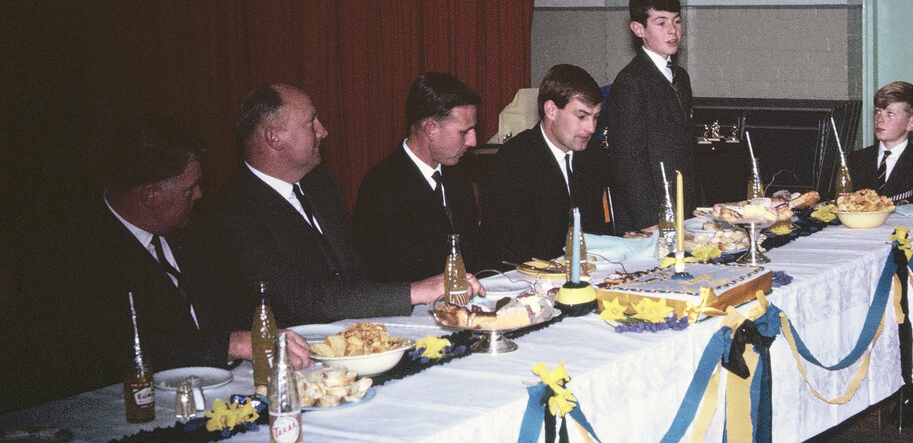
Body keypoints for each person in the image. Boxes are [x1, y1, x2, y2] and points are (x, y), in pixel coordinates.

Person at [61, 116, 312, 396]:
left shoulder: (193, 231)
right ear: (150, 196)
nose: (200, 195)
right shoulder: (81, 253)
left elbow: (234, 303)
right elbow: (118, 349)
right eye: (189, 189)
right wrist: (231, 344)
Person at [207, 83, 482, 327]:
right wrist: (415, 291)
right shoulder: (234, 212)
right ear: (274, 137)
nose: (323, 131)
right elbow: (299, 300)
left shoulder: (321, 185)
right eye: (311, 122)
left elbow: (358, 271)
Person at [352, 72, 485, 282]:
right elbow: (385, 278)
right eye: (464, 132)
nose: (473, 141)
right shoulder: (382, 187)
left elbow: (474, 257)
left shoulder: (458, 175)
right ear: (431, 129)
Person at [480, 64, 612, 265]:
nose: (591, 128)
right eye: (581, 116)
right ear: (551, 110)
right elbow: (515, 250)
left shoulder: (592, 155)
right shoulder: (514, 161)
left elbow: (595, 232)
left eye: (595, 117)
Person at [606, 0, 696, 231]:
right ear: (639, 29)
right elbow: (628, 160)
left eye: (677, 21)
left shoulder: (681, 77)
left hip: (682, 206)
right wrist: (648, 221)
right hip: (649, 216)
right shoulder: (631, 82)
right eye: (661, 22)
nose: (672, 30)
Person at [848, 81, 913, 206]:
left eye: (890, 114)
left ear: (911, 123)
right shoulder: (856, 160)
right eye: (878, 112)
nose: (880, 119)